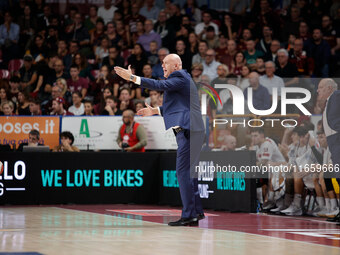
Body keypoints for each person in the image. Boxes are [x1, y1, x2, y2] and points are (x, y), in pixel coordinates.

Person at [114, 53, 205, 226]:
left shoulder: (179, 76)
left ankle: (189, 215)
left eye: (165, 64)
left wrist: (132, 78)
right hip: (192, 129)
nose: (162, 66)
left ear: (176, 66)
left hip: (189, 130)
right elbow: (178, 106)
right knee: (189, 173)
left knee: (182, 172)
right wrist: (155, 111)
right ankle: (196, 212)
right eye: (162, 63)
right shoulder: (182, 79)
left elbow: (159, 85)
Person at [317, 78, 340, 225]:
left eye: (320, 87)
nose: (317, 90)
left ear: (329, 88)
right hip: (334, 143)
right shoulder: (330, 101)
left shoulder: (336, 96)